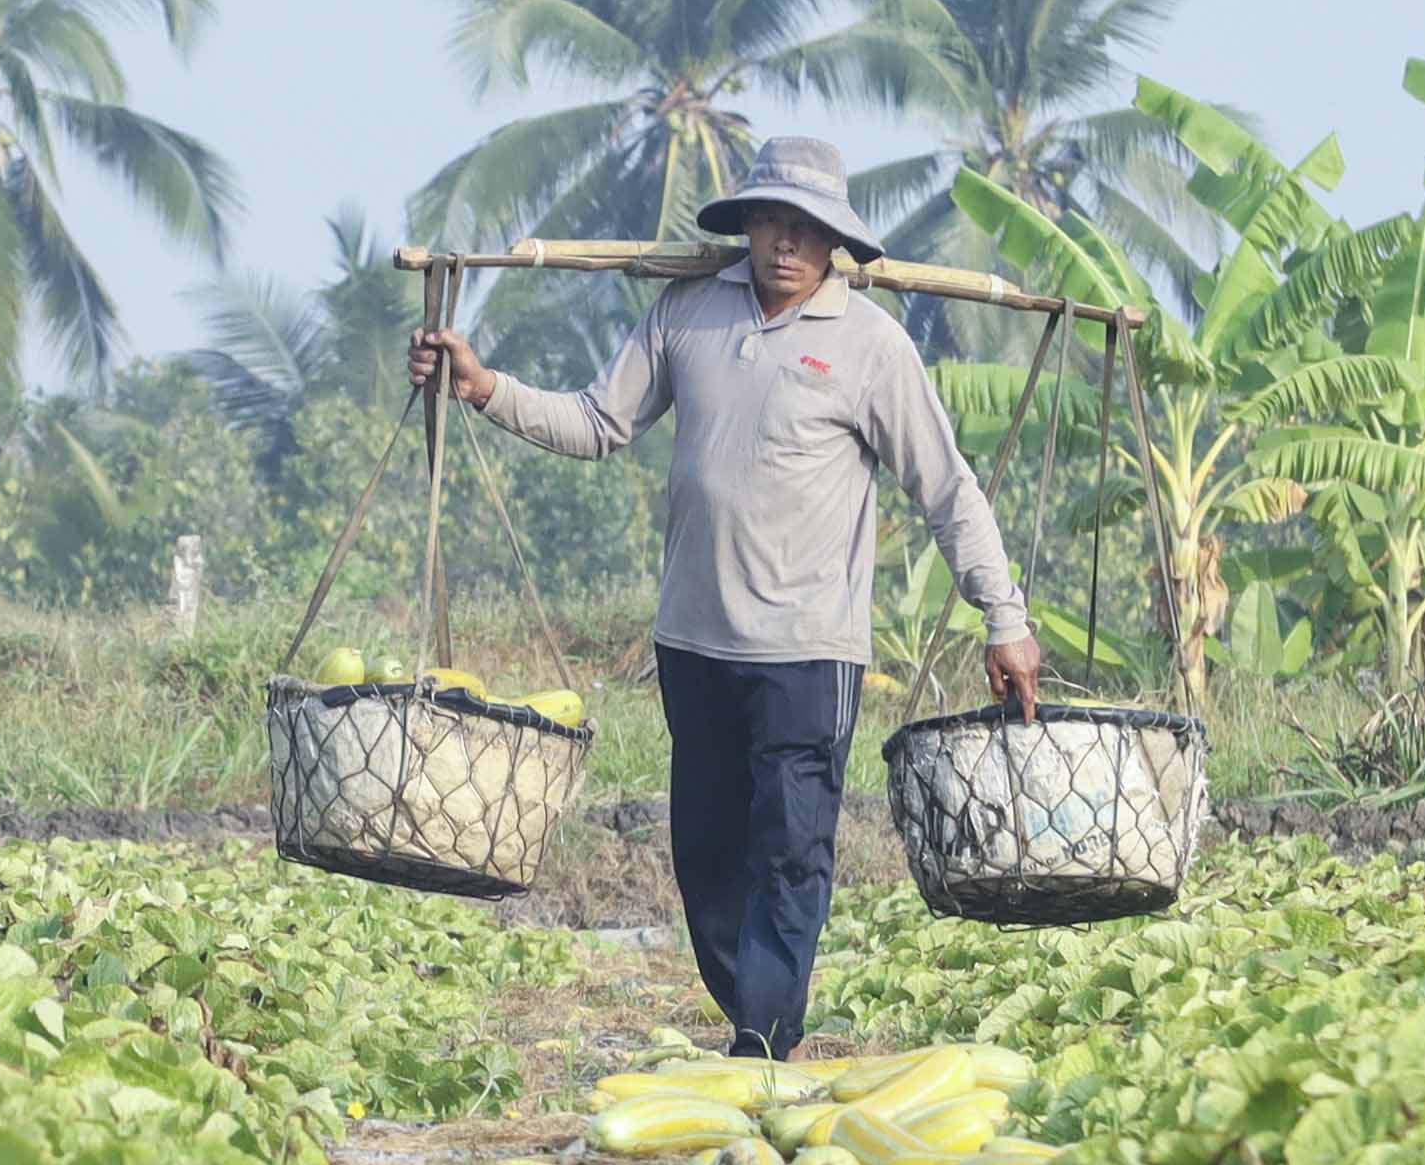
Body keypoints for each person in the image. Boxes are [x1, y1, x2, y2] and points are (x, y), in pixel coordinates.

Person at [415, 135, 1042, 1059]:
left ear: (833, 241)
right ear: (744, 226)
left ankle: (764, 1042)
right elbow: (598, 422)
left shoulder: (870, 347)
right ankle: (757, 1017)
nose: (783, 243)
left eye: (804, 227)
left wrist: (1006, 619)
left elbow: (947, 490)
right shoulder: (689, 314)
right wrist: (483, 389)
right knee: (705, 858)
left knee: (791, 850)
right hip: (694, 642)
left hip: (808, 649)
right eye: (767, 222)